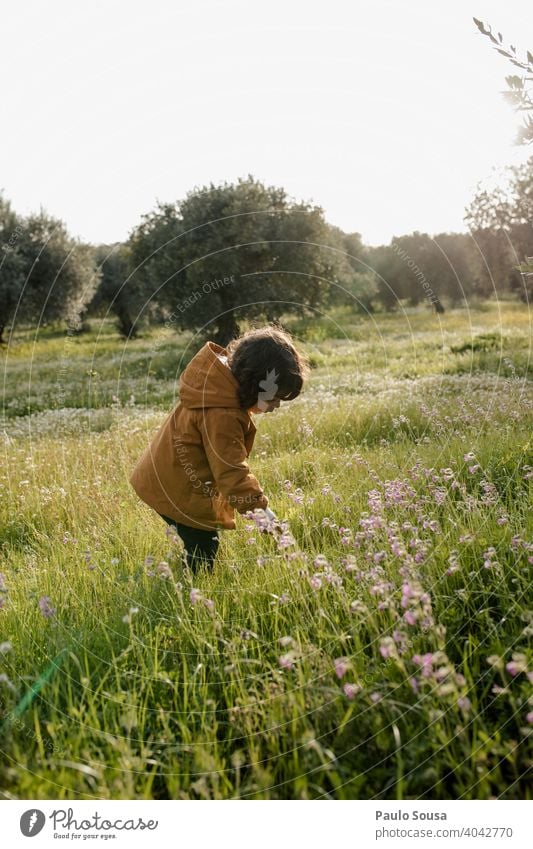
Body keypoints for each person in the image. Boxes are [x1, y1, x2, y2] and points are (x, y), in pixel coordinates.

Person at [129, 326, 308, 572]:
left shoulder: (218, 382)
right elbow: (232, 473)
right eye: (275, 397)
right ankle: (189, 596)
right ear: (257, 383)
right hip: (174, 487)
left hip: (163, 476)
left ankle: (184, 577)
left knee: (200, 544)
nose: (277, 405)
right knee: (203, 549)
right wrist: (265, 516)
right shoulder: (222, 413)